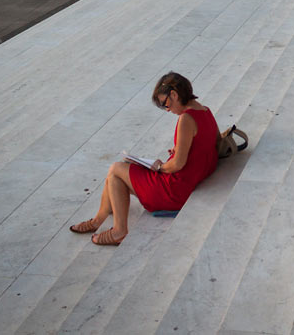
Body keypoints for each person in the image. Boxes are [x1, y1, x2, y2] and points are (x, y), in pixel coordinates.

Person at [69, 73, 220, 245]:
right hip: (189, 179)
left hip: (174, 190)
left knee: (116, 169)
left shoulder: (186, 118)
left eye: (165, 104)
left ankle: (118, 231)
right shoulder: (205, 110)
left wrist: (159, 167)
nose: (167, 109)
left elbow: (177, 164)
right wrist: (182, 147)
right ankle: (99, 219)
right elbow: (212, 141)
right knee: (116, 176)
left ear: (174, 95)